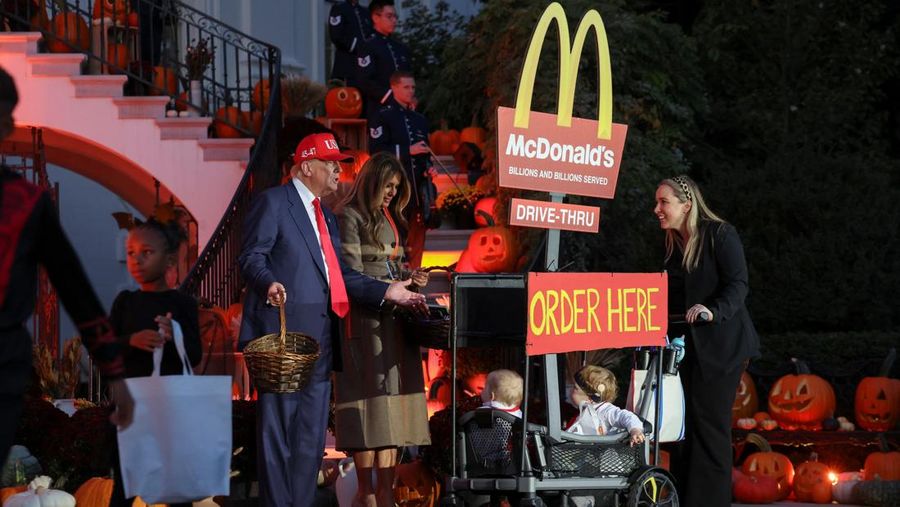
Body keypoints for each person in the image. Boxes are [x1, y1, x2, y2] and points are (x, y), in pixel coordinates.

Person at [238, 132, 427, 507]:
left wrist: (390, 291)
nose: (338, 169)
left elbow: (341, 276)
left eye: (339, 162)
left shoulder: (324, 213)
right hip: (285, 339)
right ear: (307, 165)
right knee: (280, 432)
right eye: (330, 162)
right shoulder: (274, 203)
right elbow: (251, 257)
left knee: (309, 436)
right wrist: (268, 282)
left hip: (323, 338)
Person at [0, 66, 134, 464]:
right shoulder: (26, 203)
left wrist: (114, 371)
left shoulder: (27, 203)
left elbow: (76, 291)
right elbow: (77, 292)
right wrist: (115, 373)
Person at [653, 174, 759, 507]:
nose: (656, 209)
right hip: (690, 350)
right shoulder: (674, 243)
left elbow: (739, 284)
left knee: (710, 429)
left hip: (724, 348)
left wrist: (713, 311)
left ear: (686, 205)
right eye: (656, 202)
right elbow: (671, 294)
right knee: (685, 429)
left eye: (663, 202)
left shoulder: (720, 235)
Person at [333, 152, 431, 507]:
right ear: (372, 181)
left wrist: (411, 281)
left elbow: (388, 270)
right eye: (388, 185)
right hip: (365, 321)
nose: (392, 192)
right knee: (368, 404)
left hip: (393, 320)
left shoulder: (387, 217)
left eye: (396, 187)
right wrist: (392, 291)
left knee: (392, 405)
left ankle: (387, 492)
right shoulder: (349, 216)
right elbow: (351, 277)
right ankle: (367, 492)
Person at [107, 218, 201, 507]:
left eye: (147, 252)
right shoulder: (125, 303)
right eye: (131, 252)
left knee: (176, 488)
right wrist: (130, 340)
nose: (136, 260)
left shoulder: (183, 304)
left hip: (171, 410)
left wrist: (177, 335)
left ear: (169, 259)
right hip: (131, 407)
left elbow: (194, 356)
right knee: (125, 486)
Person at [370, 71, 434, 268]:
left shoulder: (419, 119)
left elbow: (425, 151)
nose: (411, 91)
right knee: (395, 234)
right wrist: (408, 150)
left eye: (413, 87)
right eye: (406, 87)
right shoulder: (382, 116)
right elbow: (377, 150)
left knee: (417, 238)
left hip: (417, 190)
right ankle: (395, 278)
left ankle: (415, 279)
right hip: (394, 190)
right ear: (394, 88)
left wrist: (429, 168)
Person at [356, 0, 411, 123]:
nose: (394, 21)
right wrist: (390, 97)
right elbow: (365, 80)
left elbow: (408, 77)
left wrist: (410, 97)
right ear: (376, 17)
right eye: (389, 16)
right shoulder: (368, 46)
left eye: (395, 16)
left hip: (404, 111)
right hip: (379, 111)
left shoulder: (401, 48)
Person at [566, 365, 644, 446]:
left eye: (575, 388)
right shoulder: (585, 409)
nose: (570, 390)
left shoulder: (605, 411)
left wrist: (635, 430)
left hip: (595, 455)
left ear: (590, 397)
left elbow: (627, 416)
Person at [328, 0, 374, 85]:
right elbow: (336, 35)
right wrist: (357, 46)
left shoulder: (365, 12)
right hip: (346, 66)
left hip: (365, 67)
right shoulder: (339, 8)